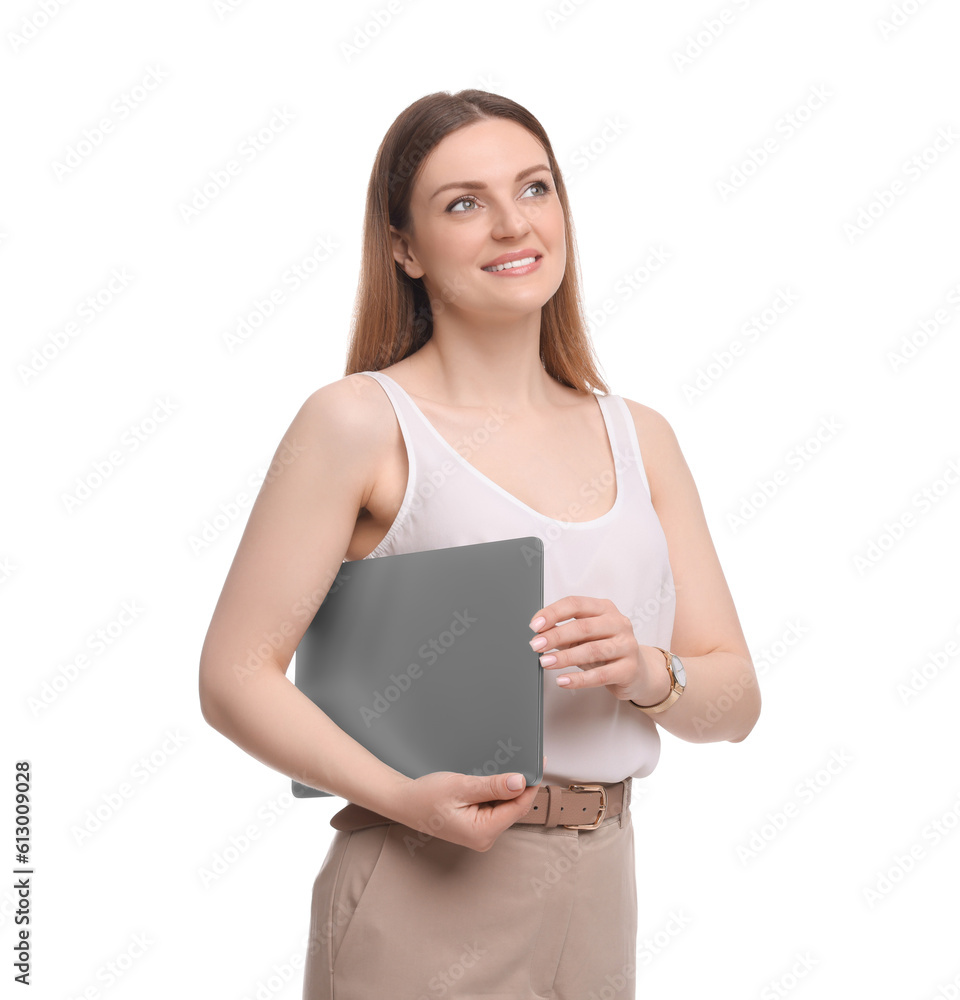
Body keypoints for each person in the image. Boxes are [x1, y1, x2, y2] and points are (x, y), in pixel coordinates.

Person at [198, 88, 761, 1000]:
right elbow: (234, 676)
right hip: (425, 886)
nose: (512, 224)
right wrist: (400, 797)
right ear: (404, 247)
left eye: (535, 188)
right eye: (464, 203)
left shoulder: (640, 435)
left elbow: (733, 697)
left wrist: (649, 671)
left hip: (602, 883)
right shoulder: (358, 424)